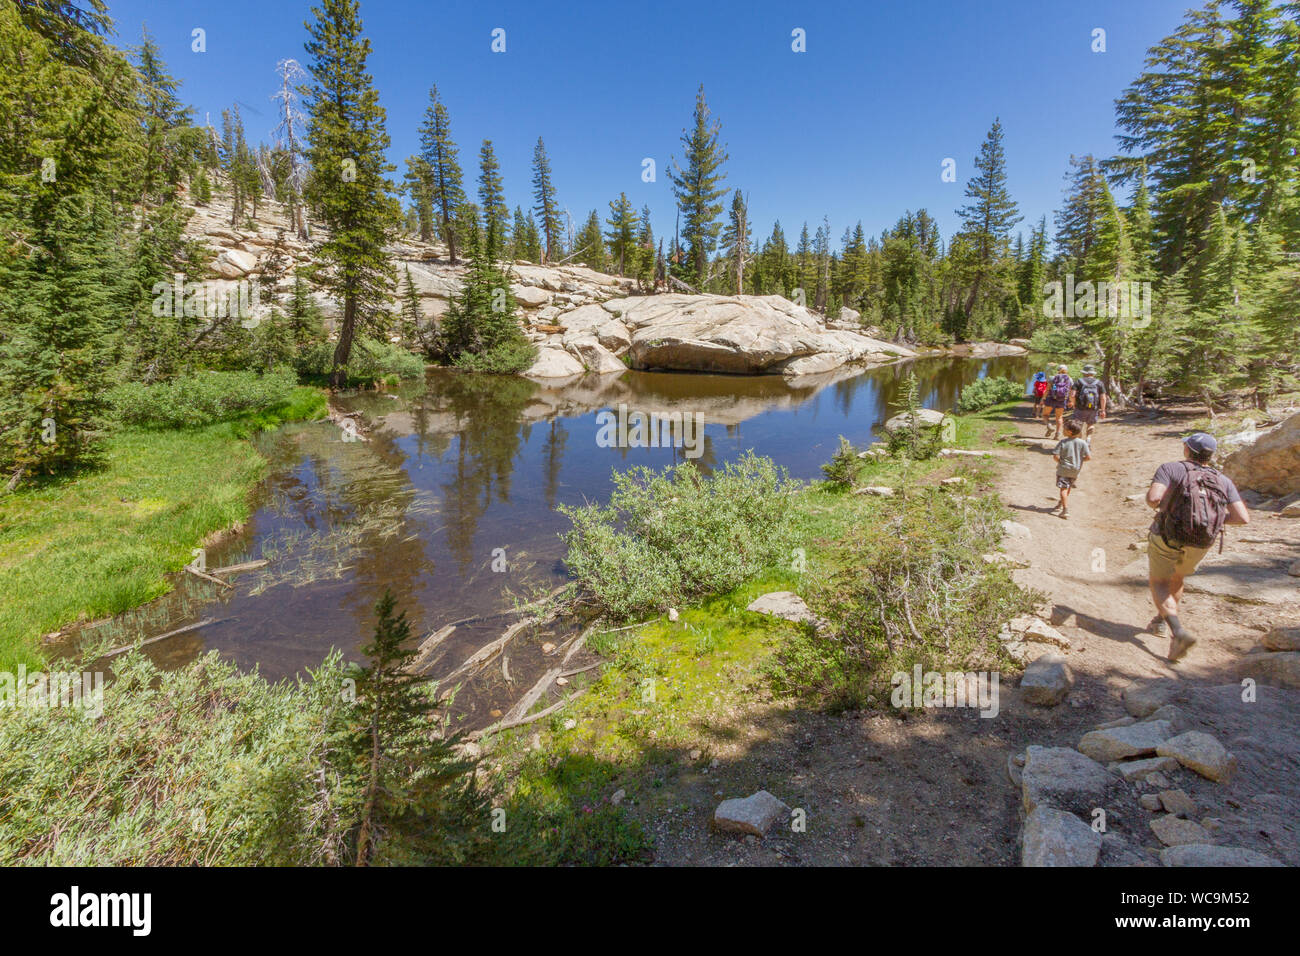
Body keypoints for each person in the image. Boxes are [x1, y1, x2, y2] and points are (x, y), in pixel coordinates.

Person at [1145, 432, 1250, 662]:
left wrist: (1171, 511)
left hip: (1168, 536)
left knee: (1160, 582)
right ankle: (1161, 622)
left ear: (1187, 450)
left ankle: (1177, 630)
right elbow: (1242, 518)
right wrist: (1209, 520)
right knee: (1178, 577)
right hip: (1202, 541)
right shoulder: (1223, 480)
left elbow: (1154, 499)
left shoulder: (1170, 468)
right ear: (1210, 456)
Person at [1051, 420, 1090, 518]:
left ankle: (1065, 510)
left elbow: (1055, 456)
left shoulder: (1063, 442)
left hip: (1064, 469)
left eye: (1064, 429)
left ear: (1070, 432)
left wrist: (1060, 462)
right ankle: (1061, 503)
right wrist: (1079, 461)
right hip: (1075, 470)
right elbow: (1088, 457)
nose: (1063, 430)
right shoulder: (1083, 443)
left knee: (1063, 489)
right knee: (1067, 487)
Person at [1072, 364, 1107, 440]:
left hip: (1080, 408)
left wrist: (1073, 404)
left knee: (1078, 425)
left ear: (1084, 373)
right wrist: (1103, 410)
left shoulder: (1079, 381)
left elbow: (1072, 395)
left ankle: (1080, 442)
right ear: (1093, 373)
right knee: (1090, 424)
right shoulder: (1099, 383)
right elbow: (1103, 398)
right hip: (1093, 408)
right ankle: (1088, 438)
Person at [1042, 364, 1073, 439]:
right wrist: (1070, 401)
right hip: (1062, 400)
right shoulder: (1069, 379)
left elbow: (1047, 389)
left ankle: (1049, 425)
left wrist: (1043, 398)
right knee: (1059, 417)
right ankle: (1057, 434)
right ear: (1066, 371)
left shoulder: (1052, 378)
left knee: (1045, 415)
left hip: (1051, 399)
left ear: (1058, 370)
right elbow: (1070, 392)